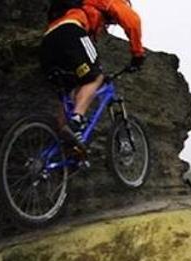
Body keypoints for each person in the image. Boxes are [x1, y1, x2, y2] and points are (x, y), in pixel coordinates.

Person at [40, 0, 145, 160]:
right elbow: (132, 20)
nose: (109, 25)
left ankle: (64, 139)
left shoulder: (78, 7)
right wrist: (137, 54)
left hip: (47, 42)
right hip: (71, 31)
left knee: (69, 88)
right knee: (95, 76)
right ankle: (76, 120)